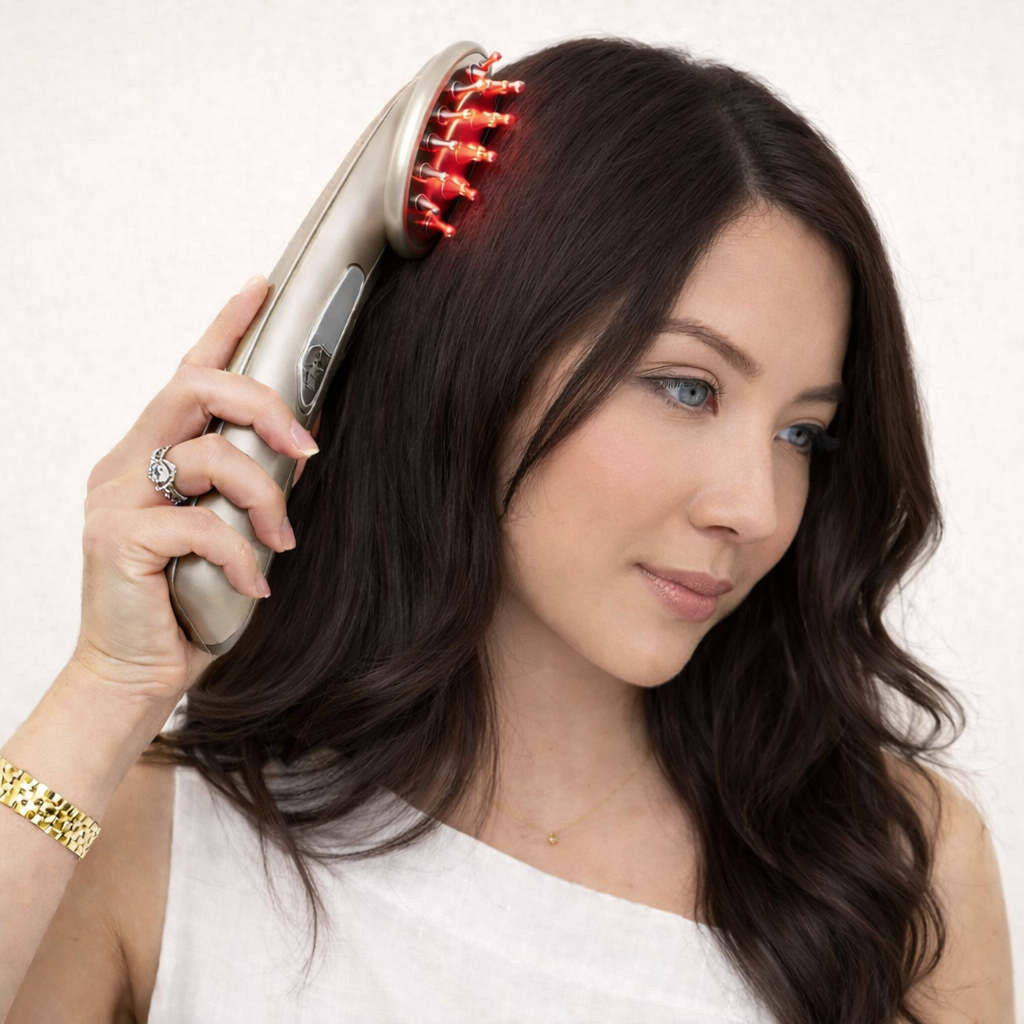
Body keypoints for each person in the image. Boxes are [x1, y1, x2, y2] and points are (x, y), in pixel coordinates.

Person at [1, 35, 1014, 1024]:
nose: (755, 508)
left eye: (802, 433)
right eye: (687, 387)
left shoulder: (894, 868)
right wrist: (106, 687)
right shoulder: (147, 842)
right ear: (481, 358)